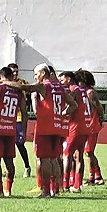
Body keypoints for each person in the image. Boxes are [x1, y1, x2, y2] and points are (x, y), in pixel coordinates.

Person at [29, 63, 75, 198]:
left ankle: (45, 190)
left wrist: (6, 83)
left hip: (45, 127)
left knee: (43, 159)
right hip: (58, 127)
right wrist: (62, 114)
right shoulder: (60, 88)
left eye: (36, 74)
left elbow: (25, 87)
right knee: (54, 159)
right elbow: (74, 105)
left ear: (43, 73)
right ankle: (56, 189)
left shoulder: (44, 86)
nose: (35, 77)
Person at [0, 67, 26, 197]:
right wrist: (24, 132)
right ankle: (8, 189)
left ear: (0, 76)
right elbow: (25, 113)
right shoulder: (18, 91)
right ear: (11, 76)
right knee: (9, 161)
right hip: (11, 129)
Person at [60, 70, 92, 193]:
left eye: (62, 79)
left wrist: (62, 113)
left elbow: (72, 106)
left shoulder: (73, 89)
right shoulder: (83, 90)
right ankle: (77, 185)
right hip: (85, 126)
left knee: (67, 155)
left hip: (75, 126)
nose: (61, 82)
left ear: (69, 79)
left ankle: (66, 184)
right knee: (79, 156)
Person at [76, 69, 105, 185]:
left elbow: (98, 107)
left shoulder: (89, 93)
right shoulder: (80, 92)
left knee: (89, 151)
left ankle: (95, 176)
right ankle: (95, 176)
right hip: (85, 124)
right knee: (84, 152)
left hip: (92, 124)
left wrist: (101, 119)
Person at [7, 63, 33, 178]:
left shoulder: (23, 83)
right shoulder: (3, 83)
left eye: (17, 71)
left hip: (18, 117)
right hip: (7, 117)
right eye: (13, 71)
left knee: (20, 143)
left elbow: (30, 94)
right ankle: (9, 168)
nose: (15, 73)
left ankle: (27, 166)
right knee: (6, 144)